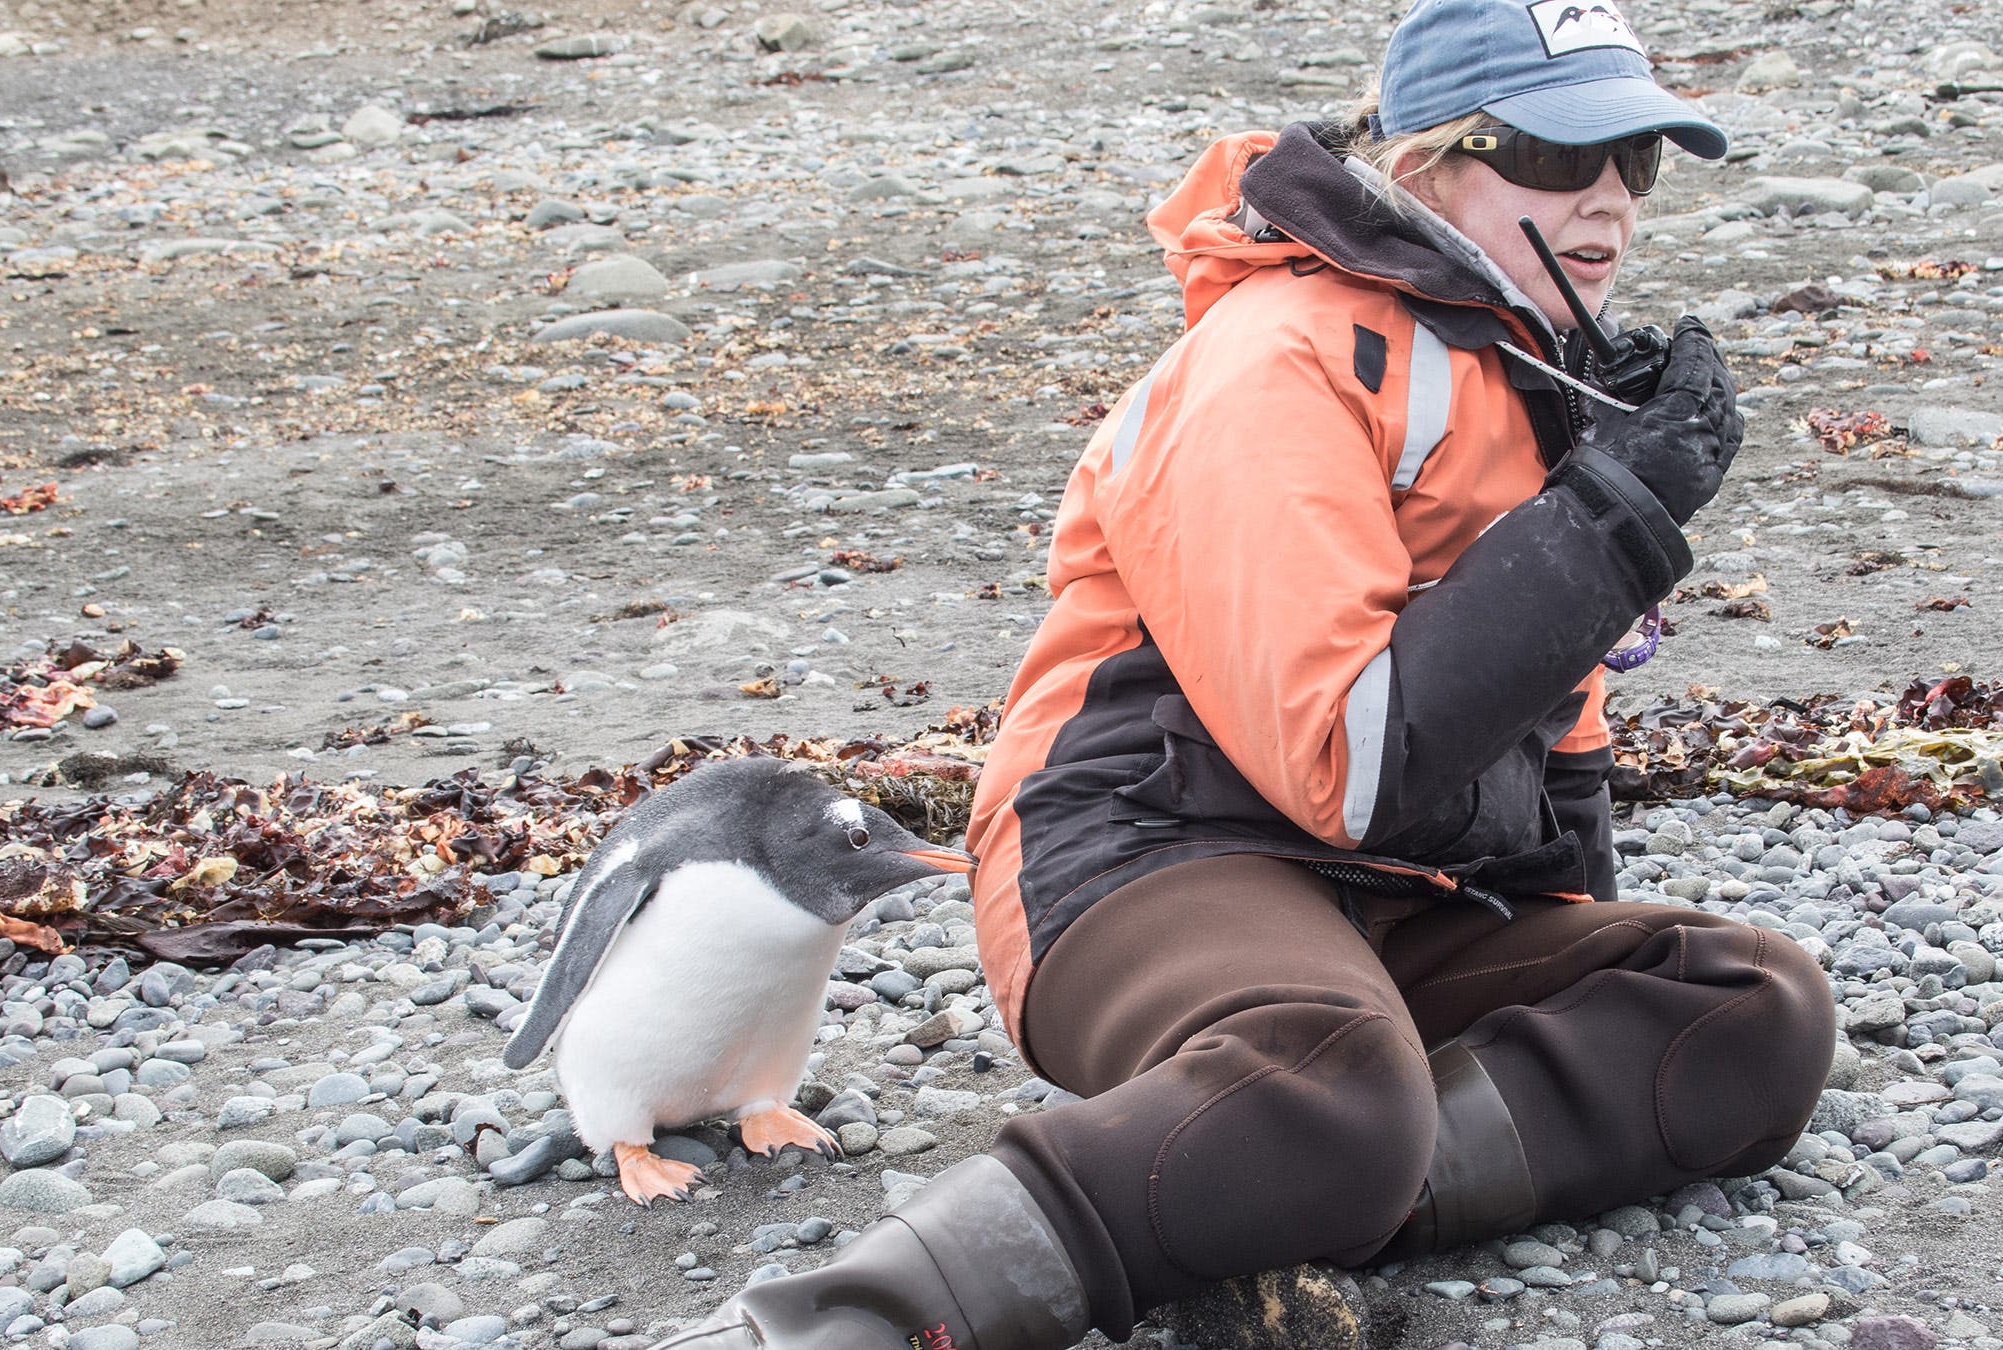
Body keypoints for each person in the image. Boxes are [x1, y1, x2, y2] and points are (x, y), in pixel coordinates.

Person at [649, 1, 1835, 1346]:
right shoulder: (1275, 356)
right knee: (1332, 1075)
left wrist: (1576, 960)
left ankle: (1279, 1174)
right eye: (1559, 160)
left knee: (1751, 1008)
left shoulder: (1528, 376)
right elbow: (1350, 753)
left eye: (1637, 162)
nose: (1607, 201)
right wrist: (1615, 521)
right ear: (1430, 159)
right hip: (1142, 846)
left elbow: (1555, 742)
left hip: (1388, 892)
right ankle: (825, 1321)